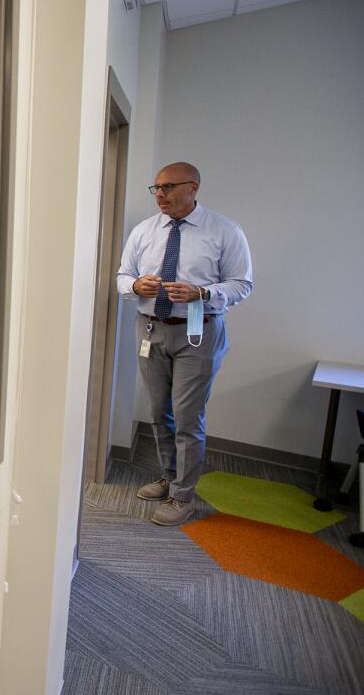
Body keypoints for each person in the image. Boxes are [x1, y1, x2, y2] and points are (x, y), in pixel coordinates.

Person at [116, 162, 252, 526]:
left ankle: (183, 496)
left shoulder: (224, 231)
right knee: (160, 413)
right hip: (150, 327)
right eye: (156, 188)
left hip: (198, 328)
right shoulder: (144, 231)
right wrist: (134, 286)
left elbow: (242, 284)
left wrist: (203, 292)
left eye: (169, 187)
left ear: (193, 188)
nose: (160, 194)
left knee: (189, 417)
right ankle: (169, 475)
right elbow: (122, 275)